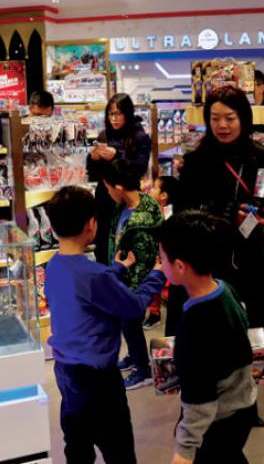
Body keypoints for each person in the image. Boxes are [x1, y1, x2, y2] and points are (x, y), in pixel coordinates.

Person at [44, 185, 166, 464]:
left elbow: (84, 289)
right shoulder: (95, 275)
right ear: (91, 224)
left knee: (77, 445)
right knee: (118, 450)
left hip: (66, 371)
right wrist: (157, 275)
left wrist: (117, 270)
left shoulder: (53, 266)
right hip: (98, 380)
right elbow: (133, 306)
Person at [172, 86, 264, 336]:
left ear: (243, 118)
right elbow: (183, 211)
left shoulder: (259, 156)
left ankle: (253, 356)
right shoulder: (196, 161)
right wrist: (228, 214)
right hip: (209, 254)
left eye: (230, 118)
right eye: (215, 119)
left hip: (249, 250)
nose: (222, 125)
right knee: (212, 328)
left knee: (252, 324)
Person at [159, 210, 258, 464]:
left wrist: (184, 451)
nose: (160, 264)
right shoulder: (224, 289)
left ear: (180, 266)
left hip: (218, 421)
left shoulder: (195, 326)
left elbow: (199, 398)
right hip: (243, 403)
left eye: (162, 258)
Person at [101, 159, 163, 390]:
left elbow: (145, 260)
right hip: (122, 278)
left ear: (118, 188)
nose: (108, 193)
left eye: (108, 188)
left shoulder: (142, 221)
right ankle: (135, 356)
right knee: (128, 326)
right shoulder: (124, 207)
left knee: (131, 324)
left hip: (133, 284)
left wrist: (131, 292)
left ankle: (143, 369)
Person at [87, 93, 152, 264]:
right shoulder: (104, 136)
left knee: (125, 244)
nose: (114, 119)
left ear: (127, 113)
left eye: (118, 113)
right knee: (103, 245)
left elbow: (139, 168)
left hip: (127, 198)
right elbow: (92, 174)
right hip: (104, 197)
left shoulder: (139, 136)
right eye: (110, 114)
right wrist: (93, 158)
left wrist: (116, 155)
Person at [144, 175, 180, 330]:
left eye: (154, 187)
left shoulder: (168, 216)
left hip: (164, 257)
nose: (149, 190)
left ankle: (155, 313)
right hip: (157, 255)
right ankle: (153, 312)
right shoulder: (153, 210)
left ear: (163, 195)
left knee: (159, 282)